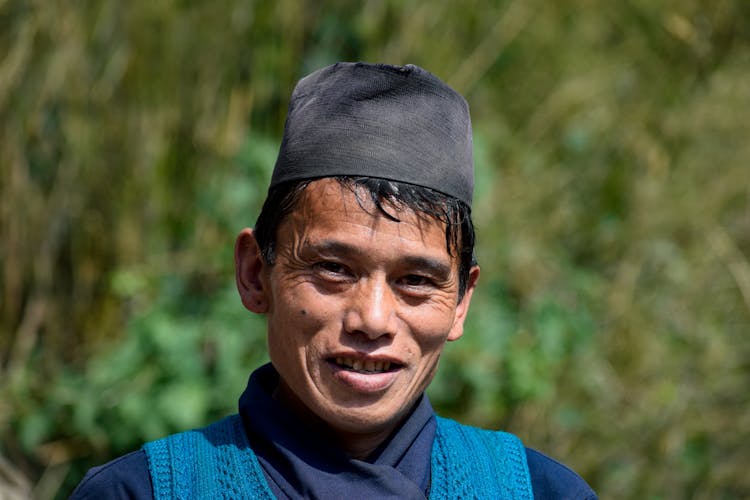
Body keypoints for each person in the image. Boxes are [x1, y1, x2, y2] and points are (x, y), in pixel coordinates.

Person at [72, 62, 597, 499]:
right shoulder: (142, 492)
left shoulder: (538, 491)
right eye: (333, 270)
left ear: (460, 301)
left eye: (416, 280)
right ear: (256, 272)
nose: (371, 319)